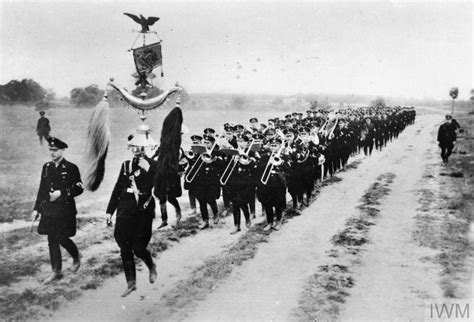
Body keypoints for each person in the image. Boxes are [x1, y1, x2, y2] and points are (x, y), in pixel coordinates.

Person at [106, 133, 158, 297]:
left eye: (140, 147)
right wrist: (109, 211)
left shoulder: (153, 165)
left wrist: (149, 170)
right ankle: (131, 283)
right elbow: (117, 189)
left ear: (145, 147)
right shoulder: (126, 165)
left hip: (143, 209)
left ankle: (151, 265)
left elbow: (161, 185)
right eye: (133, 147)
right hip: (126, 209)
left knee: (139, 247)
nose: (136, 150)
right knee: (124, 246)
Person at [31, 137, 83, 285]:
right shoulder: (47, 167)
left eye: (55, 150)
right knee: (51, 239)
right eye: (50, 150)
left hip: (65, 210)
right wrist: (36, 209)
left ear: (62, 150)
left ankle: (76, 256)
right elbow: (42, 190)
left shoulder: (71, 168)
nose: (52, 153)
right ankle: (56, 271)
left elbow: (79, 188)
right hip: (49, 210)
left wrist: (61, 193)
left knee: (61, 237)